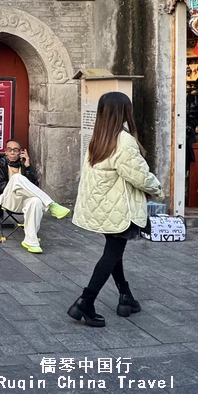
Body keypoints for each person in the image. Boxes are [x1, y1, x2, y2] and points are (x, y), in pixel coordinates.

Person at [69, 91, 162, 327]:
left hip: (104, 207)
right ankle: (86, 301)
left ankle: (125, 297)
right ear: (124, 112)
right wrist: (158, 189)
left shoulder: (98, 137)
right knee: (112, 254)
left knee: (114, 253)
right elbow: (139, 175)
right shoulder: (124, 140)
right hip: (120, 207)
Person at [0, 140, 71, 253]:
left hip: (22, 201)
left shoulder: (24, 165)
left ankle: (31, 241)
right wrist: (17, 186)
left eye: (16, 150)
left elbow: (34, 186)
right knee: (17, 178)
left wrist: (28, 166)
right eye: (9, 150)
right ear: (5, 152)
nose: (12, 153)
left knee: (36, 201)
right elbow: (0, 186)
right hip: (6, 199)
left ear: (20, 152)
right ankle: (50, 205)